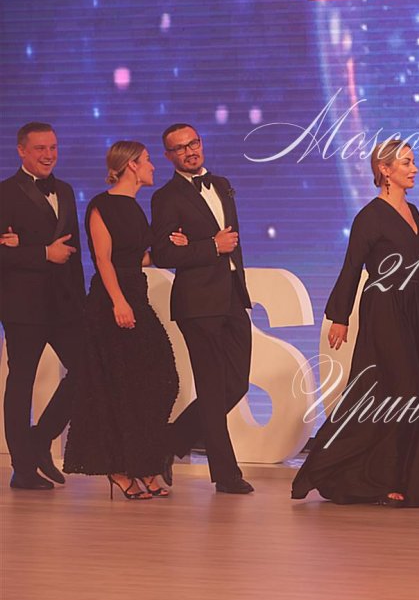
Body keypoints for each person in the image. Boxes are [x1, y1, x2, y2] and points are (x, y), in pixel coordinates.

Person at [292, 140, 419, 507]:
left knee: (414, 393)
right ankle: (371, 478)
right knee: (399, 390)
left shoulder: (413, 211)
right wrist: (339, 318)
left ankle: (410, 478)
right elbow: (352, 267)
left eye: (413, 162)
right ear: (385, 170)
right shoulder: (369, 217)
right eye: (406, 163)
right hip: (386, 310)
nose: (414, 169)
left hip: (418, 311)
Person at [62, 141, 185, 500]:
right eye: (147, 160)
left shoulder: (135, 206)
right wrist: (118, 302)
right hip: (110, 302)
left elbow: (135, 258)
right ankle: (118, 469)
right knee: (115, 387)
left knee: (159, 381)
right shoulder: (101, 205)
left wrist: (171, 248)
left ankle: (142, 463)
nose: (152, 166)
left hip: (136, 295)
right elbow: (103, 259)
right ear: (131, 165)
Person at [150, 124, 253, 494]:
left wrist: (203, 244)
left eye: (192, 143)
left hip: (232, 296)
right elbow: (163, 253)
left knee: (236, 384)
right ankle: (226, 474)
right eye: (180, 148)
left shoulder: (221, 184)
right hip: (197, 303)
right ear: (169, 156)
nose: (189, 151)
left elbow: (231, 243)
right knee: (211, 387)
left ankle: (170, 440)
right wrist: (210, 245)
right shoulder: (166, 197)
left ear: (201, 143)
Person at [0, 122, 85, 490]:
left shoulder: (64, 190)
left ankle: (40, 439)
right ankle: (22, 468)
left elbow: (74, 250)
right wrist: (41, 253)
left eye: (53, 147)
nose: (49, 155)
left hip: (65, 305)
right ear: (22, 150)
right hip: (23, 308)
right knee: (21, 383)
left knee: (89, 368)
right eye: (40, 148)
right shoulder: (4, 193)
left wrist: (83, 303)